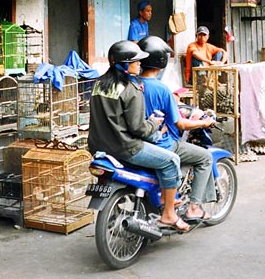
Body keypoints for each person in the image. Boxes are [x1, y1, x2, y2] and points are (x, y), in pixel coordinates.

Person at [87, 40, 189, 232]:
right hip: (126, 148)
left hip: (99, 148)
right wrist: (154, 124)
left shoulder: (98, 85)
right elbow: (138, 128)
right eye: (136, 61)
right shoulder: (131, 89)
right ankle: (168, 214)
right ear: (125, 64)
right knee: (171, 160)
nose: (140, 64)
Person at [138, 36, 216, 223]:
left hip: (140, 141)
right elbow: (180, 124)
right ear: (161, 61)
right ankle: (194, 208)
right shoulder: (162, 89)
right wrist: (204, 123)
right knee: (205, 157)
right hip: (162, 144)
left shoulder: (133, 83)